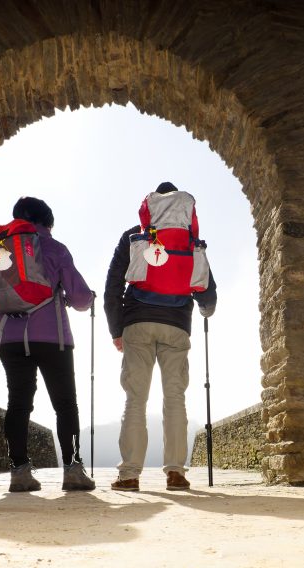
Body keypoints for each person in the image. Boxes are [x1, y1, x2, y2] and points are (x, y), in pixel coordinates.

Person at [103, 182, 217, 491]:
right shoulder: (189, 241)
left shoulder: (135, 236)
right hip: (177, 326)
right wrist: (206, 310)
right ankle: (176, 473)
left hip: (137, 324)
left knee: (135, 398)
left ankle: (129, 475)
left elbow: (113, 285)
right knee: (175, 398)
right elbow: (206, 289)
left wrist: (116, 329)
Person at [0, 196, 96, 492]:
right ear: (48, 221)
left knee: (18, 403)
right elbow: (79, 298)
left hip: (9, 337)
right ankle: (73, 471)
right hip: (52, 338)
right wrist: (88, 297)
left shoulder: (0, 248)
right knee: (65, 404)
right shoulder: (55, 248)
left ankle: (19, 473)